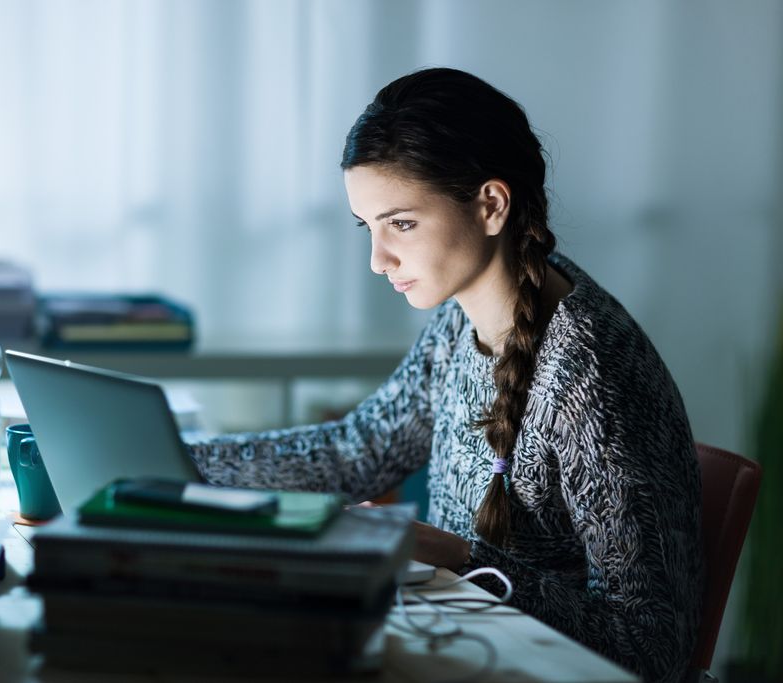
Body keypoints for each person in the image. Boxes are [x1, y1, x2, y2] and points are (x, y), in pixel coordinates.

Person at [187, 67, 702, 683]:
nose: (378, 260)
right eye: (368, 226)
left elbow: (651, 651)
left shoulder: (590, 376)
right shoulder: (469, 313)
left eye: (400, 223)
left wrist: (458, 557)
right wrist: (177, 462)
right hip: (470, 655)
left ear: (490, 205)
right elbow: (360, 450)